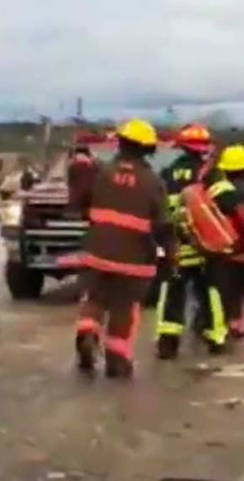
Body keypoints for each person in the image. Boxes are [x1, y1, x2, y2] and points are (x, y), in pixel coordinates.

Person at [75, 119, 174, 379]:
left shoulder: (102, 173)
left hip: (97, 253)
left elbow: (82, 204)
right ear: (148, 149)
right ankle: (117, 361)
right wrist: (170, 256)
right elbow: (163, 225)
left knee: (94, 299)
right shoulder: (153, 182)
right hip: (134, 260)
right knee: (125, 308)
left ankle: (87, 331)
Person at [155, 123, 228, 359]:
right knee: (211, 291)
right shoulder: (211, 174)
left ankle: (168, 341)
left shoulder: (167, 173)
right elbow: (226, 204)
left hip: (176, 243)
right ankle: (216, 337)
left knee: (172, 291)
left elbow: (160, 209)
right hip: (205, 246)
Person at [206, 145, 244, 341]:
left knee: (222, 286)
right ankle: (239, 324)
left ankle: (220, 323)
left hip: (219, 246)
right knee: (243, 285)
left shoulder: (215, 189)